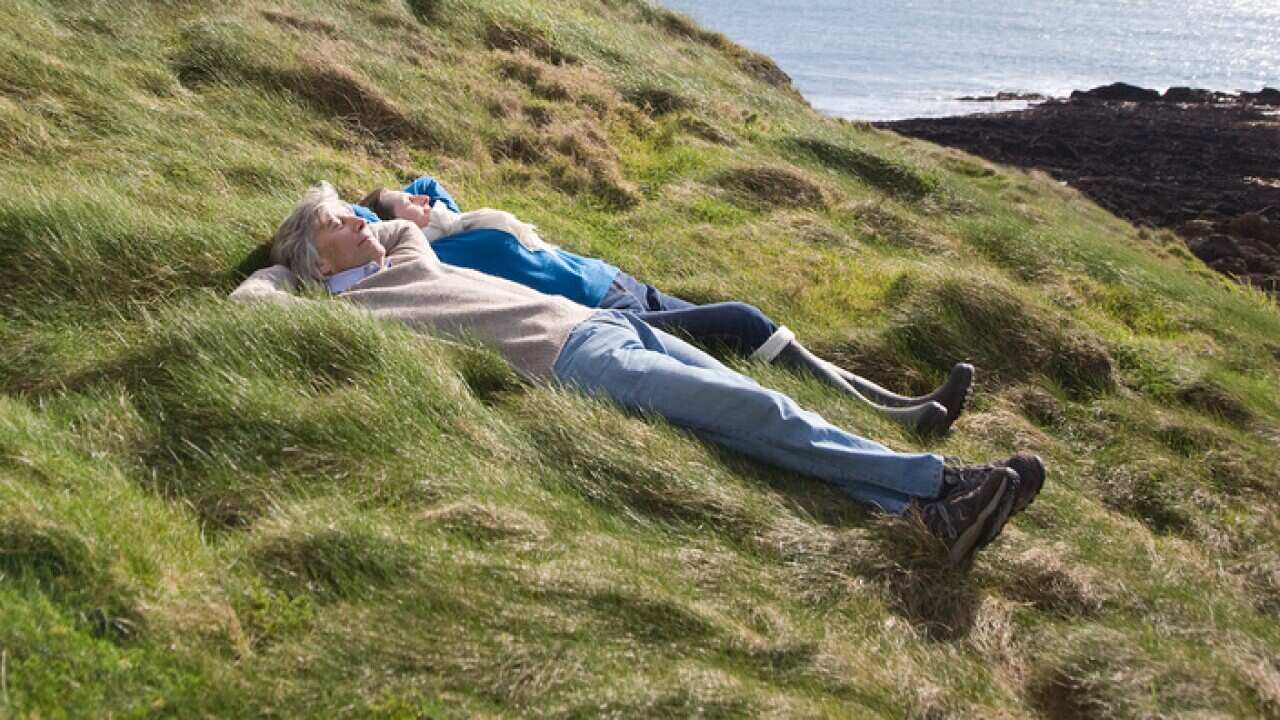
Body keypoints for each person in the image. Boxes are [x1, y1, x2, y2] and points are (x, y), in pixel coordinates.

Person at [231, 182, 1046, 566]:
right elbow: (247, 306)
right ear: (314, 255)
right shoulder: (340, 309)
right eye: (342, 221)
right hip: (577, 362)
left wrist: (359, 216)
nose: (364, 222)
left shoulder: (403, 245)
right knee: (757, 412)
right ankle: (940, 487)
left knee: (766, 400)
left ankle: (927, 501)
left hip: (607, 323)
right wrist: (283, 267)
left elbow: (427, 202)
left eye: (357, 212)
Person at [349, 177, 974, 436]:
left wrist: (407, 195)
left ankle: (903, 406)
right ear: (390, 225)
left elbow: (431, 184)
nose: (421, 202)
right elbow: (381, 229)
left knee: (765, 342)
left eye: (416, 197)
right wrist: (368, 212)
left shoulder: (458, 225)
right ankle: (894, 421)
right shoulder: (438, 260)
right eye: (406, 205)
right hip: (609, 319)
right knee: (740, 321)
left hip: (622, 283)